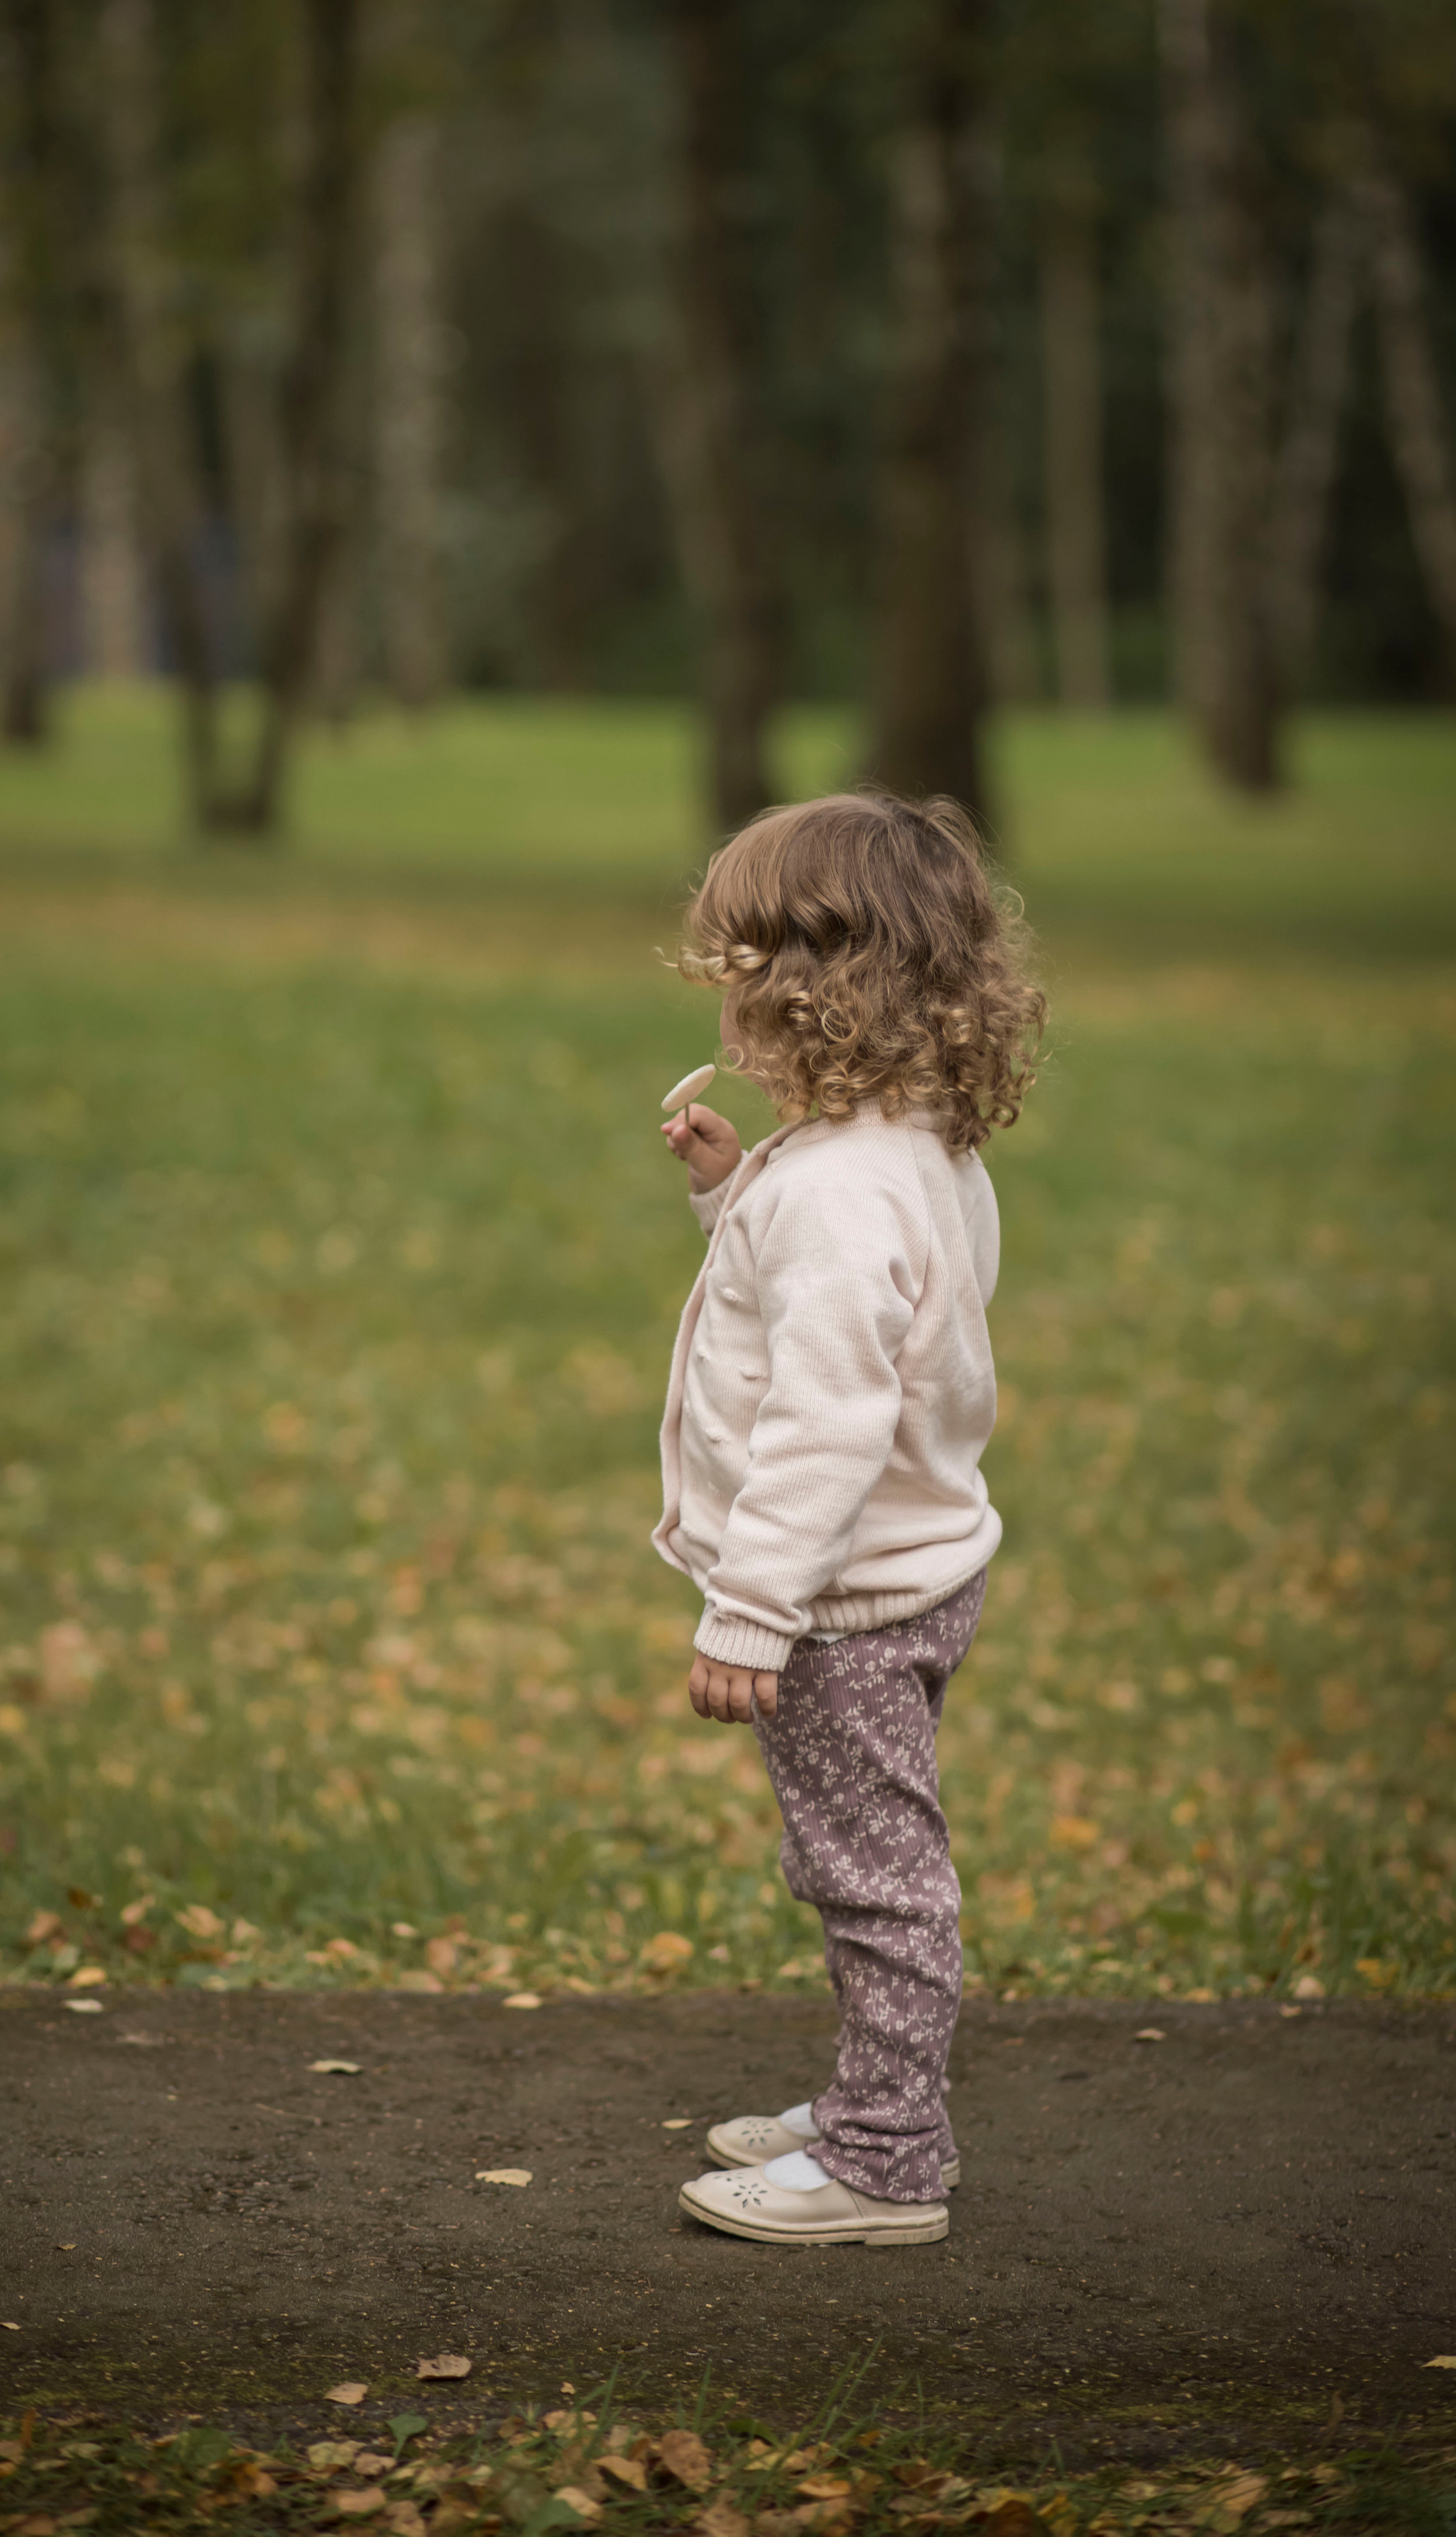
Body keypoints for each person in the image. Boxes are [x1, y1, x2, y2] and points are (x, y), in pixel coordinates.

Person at [654, 790, 1044, 2246]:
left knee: (874, 1883)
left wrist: (751, 1609)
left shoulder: (835, 1192)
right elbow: (868, 1319)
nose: (723, 1004)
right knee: (868, 1862)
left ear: (809, 996)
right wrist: (730, 1196)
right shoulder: (911, 1151)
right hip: (914, 1567)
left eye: (735, 974)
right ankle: (874, 2104)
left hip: (838, 1604)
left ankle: (886, 2161)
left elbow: (828, 1417)